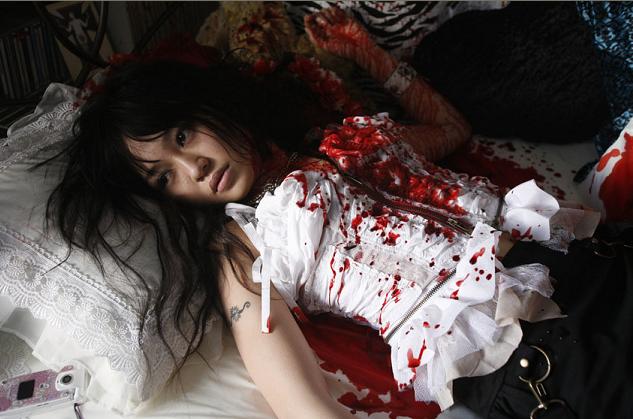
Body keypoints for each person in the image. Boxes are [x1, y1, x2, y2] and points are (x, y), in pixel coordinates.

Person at [45, 7, 603, 418]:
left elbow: (451, 131)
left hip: (588, 261)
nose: (193, 168)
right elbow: (302, 406)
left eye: (183, 135)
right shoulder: (241, 248)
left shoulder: (346, 140)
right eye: (164, 177)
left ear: (208, 106)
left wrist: (368, 54)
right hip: (530, 352)